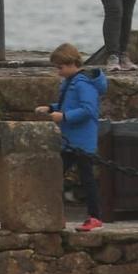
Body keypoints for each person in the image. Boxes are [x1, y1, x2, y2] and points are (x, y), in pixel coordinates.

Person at [39, 43, 107, 232]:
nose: (58, 72)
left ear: (71, 64)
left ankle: (95, 217)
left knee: (87, 179)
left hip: (82, 141)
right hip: (70, 140)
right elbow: (68, 103)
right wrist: (52, 108)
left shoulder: (83, 83)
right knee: (55, 174)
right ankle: (50, 212)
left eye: (60, 67)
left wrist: (64, 117)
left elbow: (88, 110)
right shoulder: (71, 82)